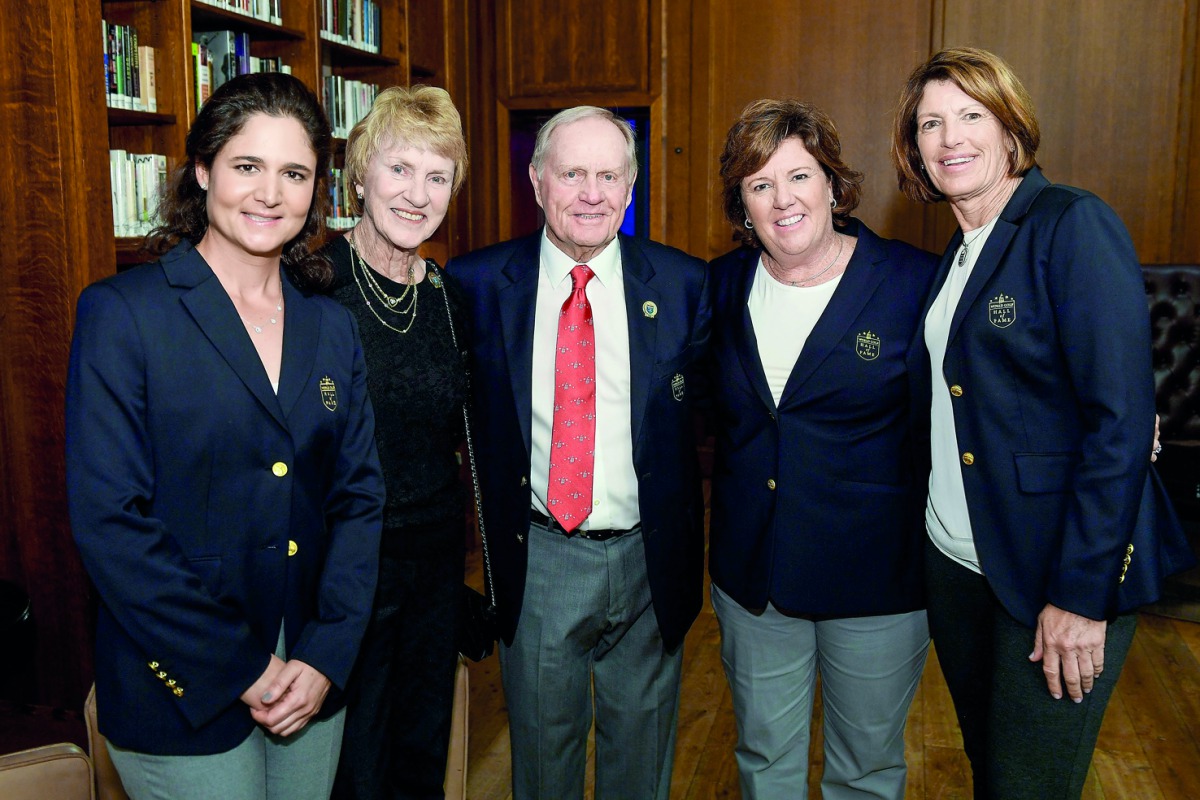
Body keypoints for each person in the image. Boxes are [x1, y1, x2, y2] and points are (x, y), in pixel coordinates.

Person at [65, 72, 385, 800]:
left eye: (294, 173)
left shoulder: (330, 325)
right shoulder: (124, 313)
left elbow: (359, 498)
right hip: (179, 673)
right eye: (247, 166)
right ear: (204, 170)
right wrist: (242, 665)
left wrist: (328, 651)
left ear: (316, 189)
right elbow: (110, 521)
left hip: (308, 669)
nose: (270, 194)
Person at [890, 47, 1196, 799]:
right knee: (992, 769)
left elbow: (1121, 424)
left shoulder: (1070, 223)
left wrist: (1082, 598)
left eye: (971, 115)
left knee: (1029, 785)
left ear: (1010, 128)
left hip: (1054, 572)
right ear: (914, 147)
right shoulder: (959, 253)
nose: (950, 138)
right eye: (931, 123)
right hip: (959, 563)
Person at [449, 106, 711, 799]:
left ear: (630, 186)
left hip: (649, 559)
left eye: (609, 175)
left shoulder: (684, 285)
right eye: (572, 174)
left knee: (642, 762)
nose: (592, 194)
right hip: (540, 561)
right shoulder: (475, 285)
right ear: (537, 182)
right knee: (544, 764)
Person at [707, 99, 937, 800]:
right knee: (763, 759)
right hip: (756, 579)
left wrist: (1109, 408)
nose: (783, 200)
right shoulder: (718, 286)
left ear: (833, 185)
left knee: (864, 772)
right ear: (743, 205)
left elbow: (990, 387)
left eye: (800, 176)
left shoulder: (914, 283)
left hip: (876, 581)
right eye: (760, 184)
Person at [324, 85, 470, 800]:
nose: (417, 194)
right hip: (346, 565)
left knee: (420, 754)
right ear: (359, 176)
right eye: (400, 169)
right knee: (356, 765)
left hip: (436, 562)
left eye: (437, 176)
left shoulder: (449, 296)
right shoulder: (311, 287)